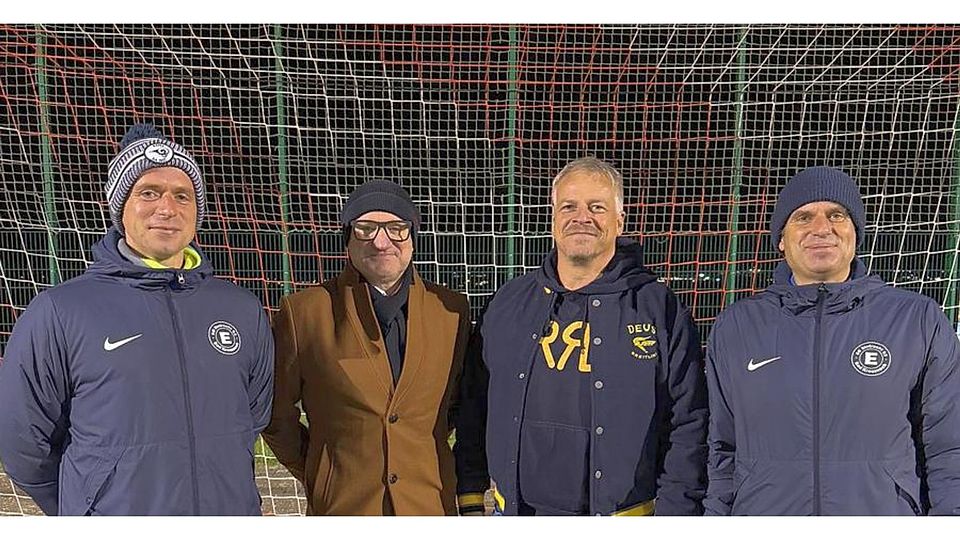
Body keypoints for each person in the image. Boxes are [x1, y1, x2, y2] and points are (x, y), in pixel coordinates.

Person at [0, 123, 274, 515]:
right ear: (119, 209)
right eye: (148, 193)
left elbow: (253, 415)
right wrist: (88, 507)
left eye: (183, 196)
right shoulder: (60, 312)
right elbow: (23, 441)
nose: (167, 208)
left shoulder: (241, 309)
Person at [454, 157, 708, 516]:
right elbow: (473, 406)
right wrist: (469, 493)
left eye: (597, 207)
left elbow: (689, 422)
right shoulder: (509, 302)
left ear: (620, 220)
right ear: (553, 215)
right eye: (569, 206)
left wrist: (675, 516)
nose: (582, 217)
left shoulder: (658, 308)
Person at [704, 166, 960, 515]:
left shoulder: (916, 320)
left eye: (836, 215)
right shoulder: (737, 326)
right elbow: (722, 450)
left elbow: (949, 446)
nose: (820, 228)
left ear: (856, 232)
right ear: (781, 238)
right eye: (803, 217)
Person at [263, 180, 472, 515]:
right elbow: (276, 414)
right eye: (365, 228)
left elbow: (458, 407)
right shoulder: (305, 312)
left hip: (428, 507)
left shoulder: (451, 311)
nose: (381, 240)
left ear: (413, 238)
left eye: (396, 228)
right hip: (343, 508)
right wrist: (324, 473)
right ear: (347, 238)